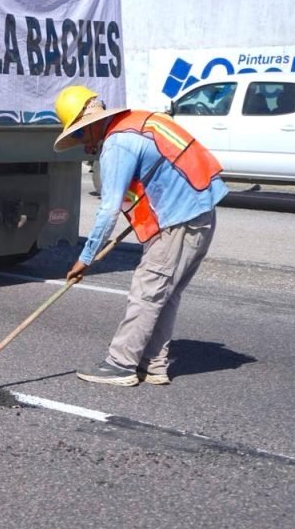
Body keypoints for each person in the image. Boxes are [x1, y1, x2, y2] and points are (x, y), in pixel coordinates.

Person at [54, 85, 228, 387]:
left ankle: (121, 364)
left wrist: (86, 258)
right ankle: (154, 364)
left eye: (81, 134)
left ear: (93, 123)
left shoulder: (118, 144)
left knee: (147, 291)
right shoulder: (137, 122)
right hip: (199, 213)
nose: (83, 142)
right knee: (165, 293)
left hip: (180, 221)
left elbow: (108, 209)